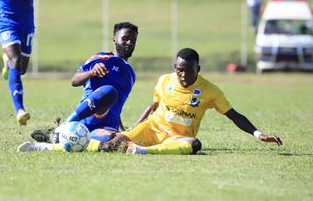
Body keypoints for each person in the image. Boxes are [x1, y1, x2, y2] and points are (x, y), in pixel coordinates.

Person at [99, 48, 282, 155]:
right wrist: (132, 131)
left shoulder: (211, 91)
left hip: (177, 139)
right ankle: (78, 141)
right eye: (179, 70)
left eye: (189, 70)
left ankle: (144, 151)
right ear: (174, 68)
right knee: (109, 146)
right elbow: (153, 107)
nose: (183, 75)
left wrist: (259, 134)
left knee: (195, 144)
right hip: (152, 129)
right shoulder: (164, 80)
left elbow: (234, 115)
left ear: (198, 68)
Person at [17, 22, 138, 152]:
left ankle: (47, 145)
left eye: (133, 40)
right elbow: (74, 81)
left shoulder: (131, 75)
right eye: (125, 38)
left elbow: (115, 107)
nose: (129, 43)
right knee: (110, 92)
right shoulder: (101, 58)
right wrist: (91, 72)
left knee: (111, 144)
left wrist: (122, 132)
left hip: (105, 127)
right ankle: (63, 128)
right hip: (83, 121)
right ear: (114, 39)